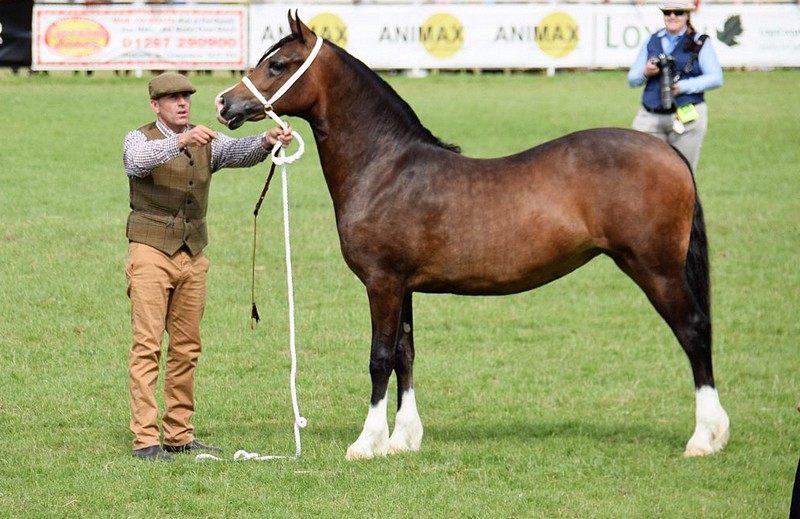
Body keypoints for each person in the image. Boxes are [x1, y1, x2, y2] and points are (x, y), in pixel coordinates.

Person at [122, 72, 292, 461]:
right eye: (173, 99)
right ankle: (145, 440)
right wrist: (181, 140)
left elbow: (237, 152)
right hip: (150, 252)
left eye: (186, 97)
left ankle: (179, 435)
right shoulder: (139, 138)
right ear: (155, 106)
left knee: (186, 348)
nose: (182, 103)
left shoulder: (205, 141)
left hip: (193, 254)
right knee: (147, 347)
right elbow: (136, 163)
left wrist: (266, 141)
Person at [627, 1, 723, 172]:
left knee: (682, 174)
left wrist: (682, 86)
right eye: (667, 12)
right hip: (651, 117)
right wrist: (646, 72)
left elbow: (716, 78)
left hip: (687, 116)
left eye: (678, 12)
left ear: (687, 15)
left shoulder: (699, 42)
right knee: (642, 173)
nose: (672, 16)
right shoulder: (652, 40)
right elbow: (632, 79)